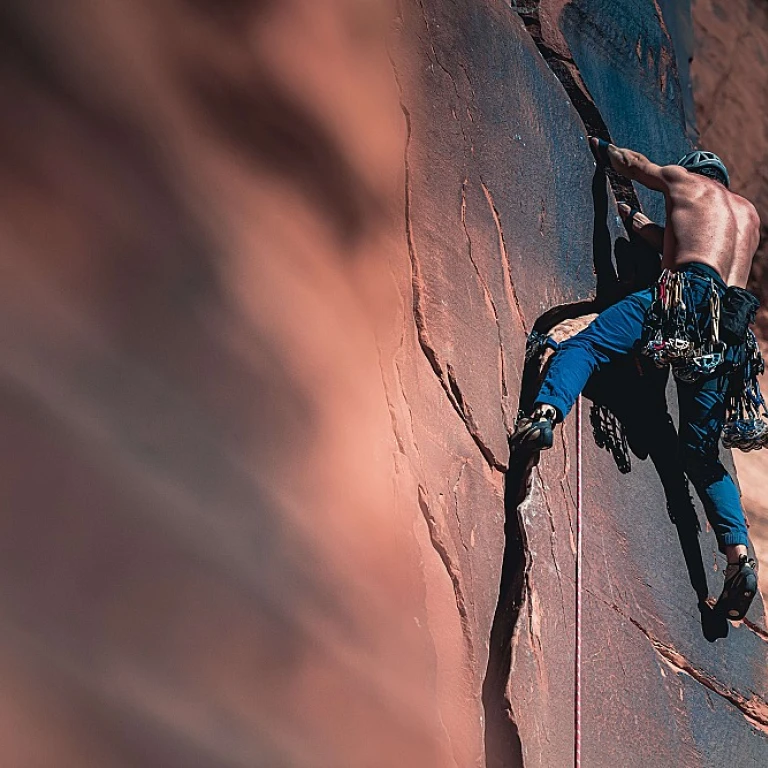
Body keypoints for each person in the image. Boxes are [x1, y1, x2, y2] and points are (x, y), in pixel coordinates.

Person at [513, 139, 762, 621]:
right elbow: (684, 245)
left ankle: (544, 414)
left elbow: (634, 165)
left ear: (695, 173)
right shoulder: (747, 217)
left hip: (682, 297)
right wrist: (642, 226)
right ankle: (738, 559)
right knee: (701, 455)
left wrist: (599, 148)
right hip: (729, 329)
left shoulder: (684, 182)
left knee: (585, 346)